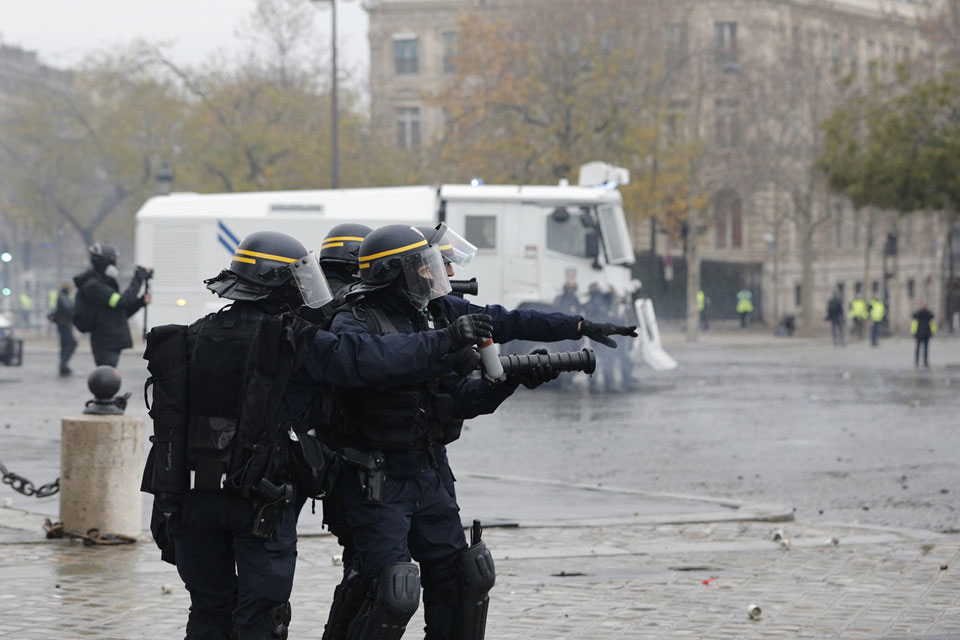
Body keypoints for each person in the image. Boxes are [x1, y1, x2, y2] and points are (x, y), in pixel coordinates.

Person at [141, 230, 490, 640]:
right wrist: (446, 339)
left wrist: (166, 504)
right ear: (280, 283)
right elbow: (367, 361)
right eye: (298, 280)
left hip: (192, 500)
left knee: (209, 609)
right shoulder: (294, 339)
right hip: (260, 500)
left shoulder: (190, 337)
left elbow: (169, 427)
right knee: (261, 614)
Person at [323, 225, 575, 640]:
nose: (432, 275)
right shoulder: (354, 319)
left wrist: (510, 380)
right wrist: (445, 340)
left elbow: (457, 400)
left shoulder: (430, 317)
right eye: (421, 268)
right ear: (394, 273)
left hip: (427, 471)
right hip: (375, 479)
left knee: (463, 578)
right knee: (391, 591)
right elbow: (370, 362)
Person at [73, 243, 152, 367]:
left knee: (108, 379)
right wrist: (137, 278)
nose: (114, 265)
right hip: (104, 343)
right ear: (104, 262)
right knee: (106, 380)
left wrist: (140, 302)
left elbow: (120, 313)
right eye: (112, 261)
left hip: (111, 341)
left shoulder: (102, 283)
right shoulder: (94, 287)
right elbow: (122, 301)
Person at [47, 282, 77, 376]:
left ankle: (63, 365)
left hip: (63, 324)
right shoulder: (63, 297)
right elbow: (69, 308)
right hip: (64, 325)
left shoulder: (63, 297)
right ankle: (63, 364)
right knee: (71, 343)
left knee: (65, 345)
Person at [911, 302, 936, 368]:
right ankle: (917, 361)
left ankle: (924, 361)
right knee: (919, 348)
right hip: (920, 332)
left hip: (925, 333)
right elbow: (914, 317)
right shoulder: (919, 314)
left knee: (924, 348)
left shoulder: (926, 314)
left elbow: (932, 317)